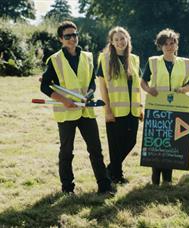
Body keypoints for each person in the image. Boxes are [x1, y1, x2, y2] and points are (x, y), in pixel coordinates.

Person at [40, 21, 113, 194]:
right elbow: (44, 86)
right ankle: (67, 189)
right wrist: (63, 100)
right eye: (68, 36)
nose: (72, 39)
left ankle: (104, 187)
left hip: (86, 110)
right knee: (66, 152)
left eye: (75, 35)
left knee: (96, 149)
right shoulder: (55, 60)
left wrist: (89, 94)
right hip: (66, 113)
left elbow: (91, 83)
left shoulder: (87, 57)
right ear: (61, 39)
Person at [141, 28, 189, 185]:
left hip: (177, 107)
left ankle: (168, 179)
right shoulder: (153, 61)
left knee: (172, 143)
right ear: (160, 46)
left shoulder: (185, 63)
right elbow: (143, 81)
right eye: (165, 44)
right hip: (157, 107)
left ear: (177, 45)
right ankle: (155, 178)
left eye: (172, 43)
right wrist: (149, 90)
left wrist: (183, 89)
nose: (169, 46)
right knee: (157, 142)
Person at [97, 26, 142, 184]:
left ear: (128, 39)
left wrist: (140, 107)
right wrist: (107, 109)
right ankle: (117, 175)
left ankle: (110, 170)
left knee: (131, 141)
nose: (120, 42)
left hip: (133, 109)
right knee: (115, 145)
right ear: (111, 42)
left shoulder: (135, 59)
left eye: (122, 38)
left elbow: (137, 85)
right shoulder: (105, 58)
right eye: (116, 39)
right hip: (115, 110)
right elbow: (102, 86)